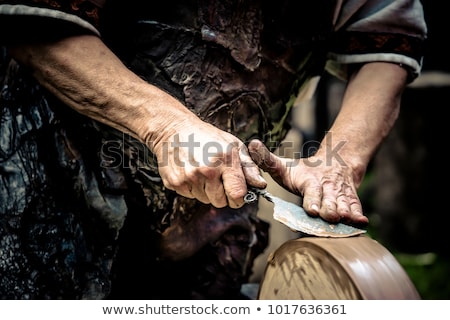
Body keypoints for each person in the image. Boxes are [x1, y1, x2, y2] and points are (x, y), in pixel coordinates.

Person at [0, 0, 427, 299]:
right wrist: (166, 127)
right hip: (54, 194)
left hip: (215, 212)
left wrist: (340, 160)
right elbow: (36, 23)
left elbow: (387, 44)